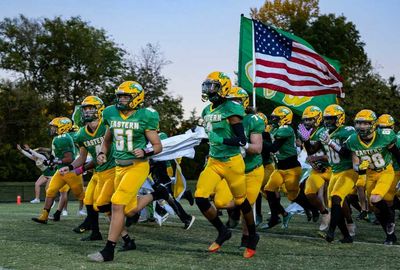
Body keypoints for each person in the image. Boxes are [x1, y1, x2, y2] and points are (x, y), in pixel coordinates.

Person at [87, 81, 167, 262]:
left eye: (126, 96)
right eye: (120, 96)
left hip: (137, 166)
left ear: (136, 98)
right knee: (129, 210)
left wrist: (146, 151)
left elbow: (158, 146)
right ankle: (157, 193)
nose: (121, 100)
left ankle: (108, 250)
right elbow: (107, 140)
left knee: (117, 204)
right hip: (119, 167)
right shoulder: (110, 113)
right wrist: (101, 153)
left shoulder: (146, 115)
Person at [194, 72, 259, 258]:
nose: (208, 90)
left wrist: (219, 138)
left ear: (223, 88)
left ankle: (253, 235)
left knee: (241, 202)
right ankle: (223, 231)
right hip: (214, 161)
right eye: (206, 86)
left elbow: (240, 140)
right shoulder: (207, 110)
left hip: (231, 162)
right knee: (200, 197)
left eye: (212, 86)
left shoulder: (232, 108)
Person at [345, 110, 400, 245]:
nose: (361, 126)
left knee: (377, 199)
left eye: (365, 123)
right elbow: (351, 161)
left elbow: (396, 153)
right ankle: (390, 234)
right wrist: (360, 167)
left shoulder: (385, 136)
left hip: (385, 172)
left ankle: (391, 222)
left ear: (373, 124)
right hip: (369, 174)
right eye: (359, 123)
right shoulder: (352, 140)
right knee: (375, 209)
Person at [32, 117, 84, 224]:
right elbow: (56, 154)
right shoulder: (59, 138)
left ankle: (93, 217)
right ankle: (44, 216)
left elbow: (69, 159)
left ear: (62, 127)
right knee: (51, 191)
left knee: (81, 195)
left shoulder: (63, 139)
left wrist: (55, 161)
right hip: (60, 171)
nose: (52, 129)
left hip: (70, 172)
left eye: (54, 127)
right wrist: (52, 160)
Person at [318, 104, 357, 243]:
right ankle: (346, 236)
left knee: (336, 198)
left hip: (348, 170)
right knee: (334, 204)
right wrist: (305, 139)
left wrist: (331, 143)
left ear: (339, 119)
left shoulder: (347, 131)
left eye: (331, 119)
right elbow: (312, 149)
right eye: (326, 119)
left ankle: (331, 232)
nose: (328, 122)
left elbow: (346, 153)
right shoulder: (323, 132)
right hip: (335, 172)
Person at [297, 106, 331, 231]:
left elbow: (333, 155)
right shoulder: (308, 132)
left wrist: (316, 159)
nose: (307, 123)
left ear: (318, 119)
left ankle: (347, 223)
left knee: (335, 199)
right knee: (309, 192)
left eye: (310, 120)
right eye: (305, 120)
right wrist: (305, 140)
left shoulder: (324, 132)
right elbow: (310, 152)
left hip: (333, 169)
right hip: (318, 170)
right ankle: (324, 212)